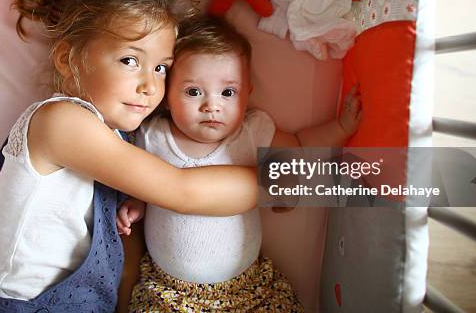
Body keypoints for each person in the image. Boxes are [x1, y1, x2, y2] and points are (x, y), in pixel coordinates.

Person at [0, 0, 260, 313]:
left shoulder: (117, 141)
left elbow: (122, 252)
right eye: (130, 61)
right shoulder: (61, 123)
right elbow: (182, 190)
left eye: (162, 67)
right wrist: (298, 180)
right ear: (67, 58)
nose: (150, 85)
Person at [119, 16, 362, 312]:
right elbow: (145, 185)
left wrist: (339, 128)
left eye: (228, 92)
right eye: (193, 92)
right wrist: (137, 205)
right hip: (168, 291)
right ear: (167, 96)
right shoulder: (152, 136)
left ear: (247, 94)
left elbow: (297, 147)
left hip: (246, 287)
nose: (212, 105)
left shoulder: (251, 131)